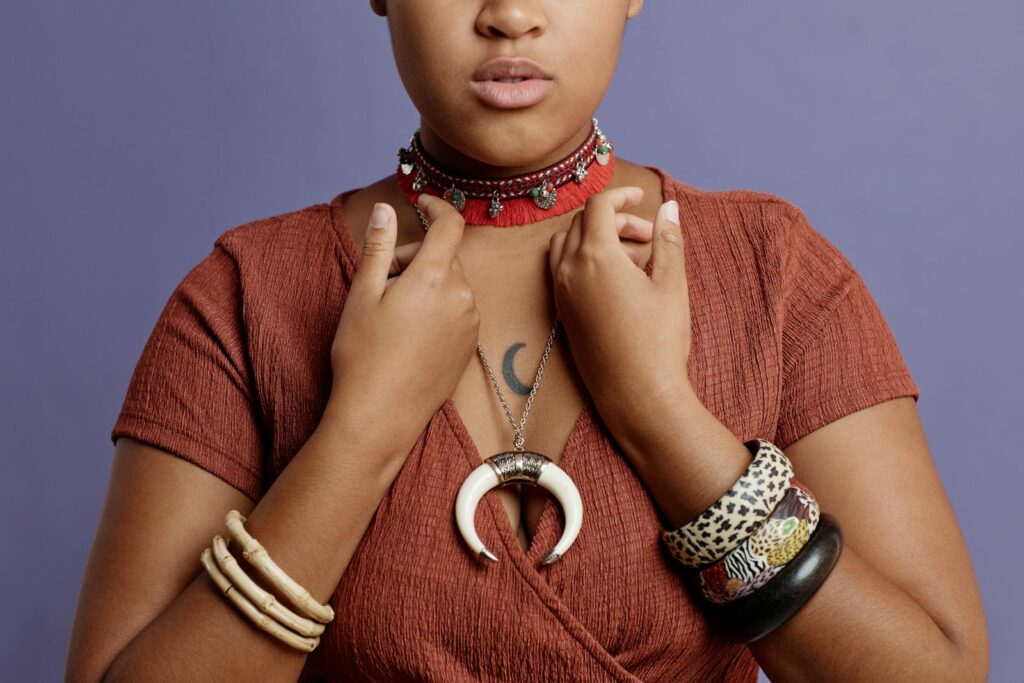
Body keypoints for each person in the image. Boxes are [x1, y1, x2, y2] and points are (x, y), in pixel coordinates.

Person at [66, 2, 989, 681]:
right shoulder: (245, 294)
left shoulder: (772, 271)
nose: (510, 15)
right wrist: (363, 430)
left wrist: (662, 414)